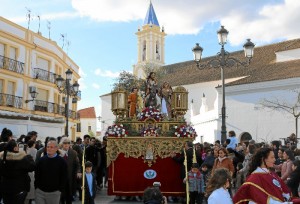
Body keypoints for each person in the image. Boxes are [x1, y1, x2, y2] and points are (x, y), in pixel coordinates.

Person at [0, 139, 35, 204]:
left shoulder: (2, 158)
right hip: (19, 190)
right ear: (15, 148)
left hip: (5, 189)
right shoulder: (21, 159)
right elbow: (32, 167)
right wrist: (27, 156)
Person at [35, 140, 68, 204]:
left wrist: (59, 190)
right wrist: (36, 187)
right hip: (40, 192)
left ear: (56, 148)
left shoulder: (62, 162)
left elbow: (64, 177)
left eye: (51, 147)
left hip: (54, 193)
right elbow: (37, 174)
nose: (49, 149)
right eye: (48, 147)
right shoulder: (41, 160)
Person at [59, 137, 80, 204]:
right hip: (60, 179)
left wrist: (78, 172)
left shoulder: (73, 153)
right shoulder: (58, 152)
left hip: (70, 178)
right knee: (61, 197)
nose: (67, 144)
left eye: (68, 143)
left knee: (69, 197)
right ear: (62, 144)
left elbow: (77, 164)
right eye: (65, 143)